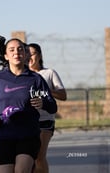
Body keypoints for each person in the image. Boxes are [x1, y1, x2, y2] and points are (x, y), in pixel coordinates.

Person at [0, 33, 57, 173]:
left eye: (20, 49)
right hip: (4, 135)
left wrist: (43, 103)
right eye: (11, 50)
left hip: (28, 135)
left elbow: (52, 106)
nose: (16, 52)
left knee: (21, 170)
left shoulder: (35, 79)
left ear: (25, 54)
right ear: (6, 55)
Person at [27, 43, 67, 173]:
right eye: (26, 53)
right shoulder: (22, 76)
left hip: (45, 121)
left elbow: (63, 95)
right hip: (26, 121)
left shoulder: (49, 73)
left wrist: (46, 90)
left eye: (32, 53)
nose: (29, 56)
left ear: (39, 55)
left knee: (39, 156)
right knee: (28, 158)